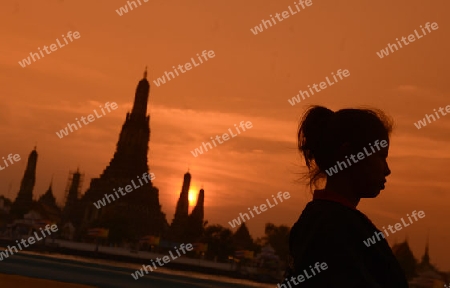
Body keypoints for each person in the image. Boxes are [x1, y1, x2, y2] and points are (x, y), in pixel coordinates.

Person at [280, 106, 409, 287]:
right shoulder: (336, 227)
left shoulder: (323, 220)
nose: (387, 170)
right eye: (380, 156)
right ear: (349, 154)